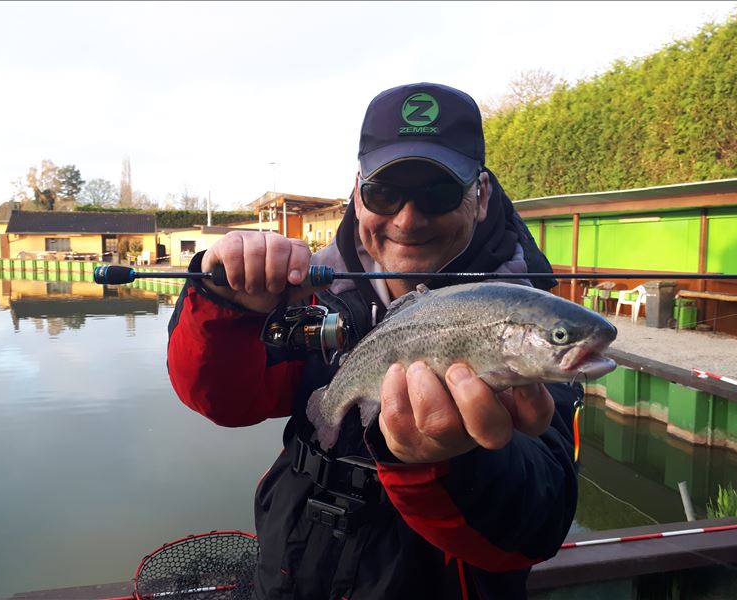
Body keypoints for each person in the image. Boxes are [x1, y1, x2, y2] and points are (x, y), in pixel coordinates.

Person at [167, 82, 580, 599]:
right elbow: (226, 401)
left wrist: (450, 463)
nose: (408, 219)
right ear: (357, 193)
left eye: (438, 193)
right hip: (289, 574)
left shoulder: (532, 316)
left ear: (481, 197)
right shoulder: (314, 291)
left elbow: (541, 525)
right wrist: (225, 307)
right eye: (385, 193)